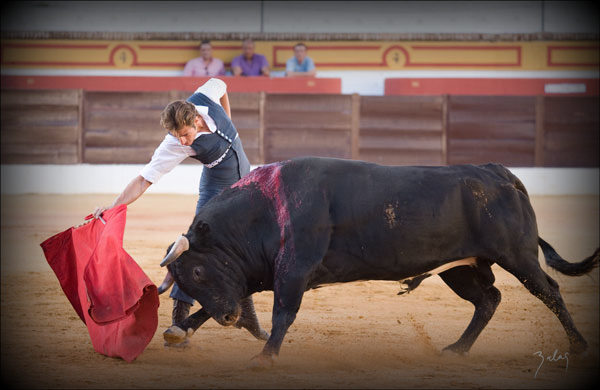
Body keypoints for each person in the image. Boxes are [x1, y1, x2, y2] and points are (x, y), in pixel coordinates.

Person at [92, 78, 261, 347]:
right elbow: (143, 179)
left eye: (184, 134)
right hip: (216, 189)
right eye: (176, 136)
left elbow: (221, 83)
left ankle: (249, 316)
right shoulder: (173, 144)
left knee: (244, 250)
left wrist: (228, 116)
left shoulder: (205, 96)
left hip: (244, 186)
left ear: (195, 118)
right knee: (194, 249)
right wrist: (113, 207)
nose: (181, 142)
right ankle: (178, 323)